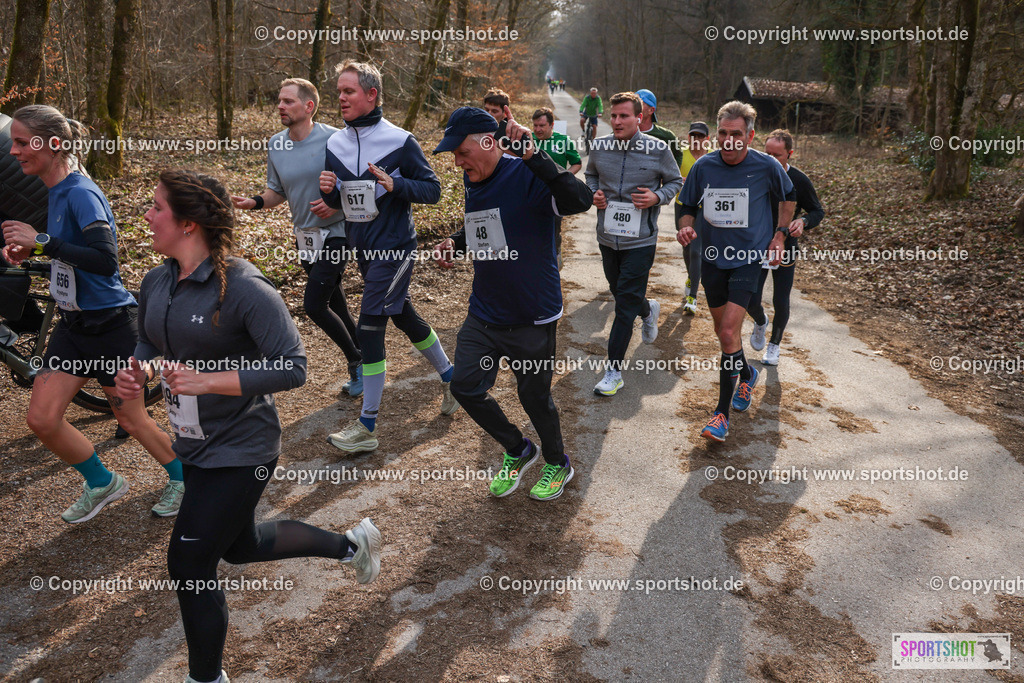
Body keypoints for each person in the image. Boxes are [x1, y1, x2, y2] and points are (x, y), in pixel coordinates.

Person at [116, 169, 381, 683]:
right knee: (240, 546)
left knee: (190, 564)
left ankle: (206, 678)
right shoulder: (156, 280)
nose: (146, 216)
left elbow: (293, 367)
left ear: (189, 224)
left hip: (243, 447)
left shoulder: (244, 287)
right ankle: (350, 545)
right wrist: (139, 371)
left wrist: (207, 382)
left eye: (156, 207)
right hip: (193, 441)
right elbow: (149, 341)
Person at [1, 104, 183, 522]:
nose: (13, 151)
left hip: (112, 324)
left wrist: (42, 241)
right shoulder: (55, 189)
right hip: (74, 325)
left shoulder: (81, 192)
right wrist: (31, 252)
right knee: (42, 419)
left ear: (52, 144)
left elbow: (105, 260)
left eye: (22, 143)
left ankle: (182, 477)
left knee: (130, 417)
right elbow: (70, 255)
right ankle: (102, 482)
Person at [433, 105, 593, 500]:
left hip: (531, 313)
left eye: (462, 152)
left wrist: (536, 157)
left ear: (489, 143)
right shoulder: (474, 177)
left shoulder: (527, 173)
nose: (457, 162)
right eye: (454, 154)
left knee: (533, 396)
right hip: (485, 310)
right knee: (464, 386)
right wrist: (456, 242)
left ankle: (557, 462)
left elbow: (581, 200)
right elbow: (485, 224)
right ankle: (518, 449)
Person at [319, 59, 458, 454]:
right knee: (402, 314)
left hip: (395, 248)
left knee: (369, 327)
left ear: (371, 94)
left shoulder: (400, 141)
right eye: (339, 91)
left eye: (348, 91)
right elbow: (341, 203)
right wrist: (329, 190)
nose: (341, 97)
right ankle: (452, 377)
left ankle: (367, 425)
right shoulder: (335, 144)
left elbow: (433, 190)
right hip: (363, 249)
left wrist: (396, 184)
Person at [231, 78, 363, 396]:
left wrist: (336, 206)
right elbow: (277, 191)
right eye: (279, 100)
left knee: (314, 305)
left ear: (309, 106)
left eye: (288, 101)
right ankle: (370, 360)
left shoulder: (336, 139)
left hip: (337, 233)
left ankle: (358, 361)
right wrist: (255, 202)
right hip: (305, 237)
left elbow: (360, 185)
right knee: (336, 304)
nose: (280, 106)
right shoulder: (276, 144)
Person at [675, 101, 795, 443]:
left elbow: (789, 196)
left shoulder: (766, 166)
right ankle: (746, 372)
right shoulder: (704, 166)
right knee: (723, 333)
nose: (729, 141)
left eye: (737, 134)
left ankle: (721, 415)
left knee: (728, 331)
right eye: (723, 133)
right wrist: (685, 226)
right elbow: (686, 205)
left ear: (750, 136)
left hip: (747, 259)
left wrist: (779, 235)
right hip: (713, 258)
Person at [585, 92, 683, 396]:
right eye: (613, 116)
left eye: (623, 116)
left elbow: (675, 181)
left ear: (639, 118)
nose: (616, 121)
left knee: (623, 305)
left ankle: (613, 372)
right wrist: (594, 193)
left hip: (641, 241)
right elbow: (591, 175)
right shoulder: (599, 147)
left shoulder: (658, 149)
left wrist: (657, 197)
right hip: (607, 238)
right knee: (622, 293)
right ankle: (648, 308)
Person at [746, 129, 824, 365]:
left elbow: (817, 211)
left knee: (781, 298)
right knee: (750, 298)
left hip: (785, 245)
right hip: (756, 245)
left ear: (789, 154)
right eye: (766, 153)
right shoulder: (754, 173)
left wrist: (803, 221)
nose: (770, 159)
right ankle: (761, 321)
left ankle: (774, 345)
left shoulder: (799, 179)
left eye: (776, 155)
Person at [531, 106, 582, 269]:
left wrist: (563, 179)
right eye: (535, 125)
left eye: (542, 126)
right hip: (531, 192)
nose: (538, 129)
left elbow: (577, 163)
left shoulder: (563, 141)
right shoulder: (528, 140)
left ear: (551, 125)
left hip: (554, 194)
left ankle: (554, 258)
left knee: (553, 228)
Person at [676, 121, 711, 315]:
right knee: (687, 247)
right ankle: (692, 276)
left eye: (700, 136)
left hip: (704, 209)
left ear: (707, 139)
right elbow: (667, 177)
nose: (696, 139)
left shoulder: (713, 156)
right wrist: (679, 181)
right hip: (683, 207)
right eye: (693, 135)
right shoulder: (680, 155)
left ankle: (692, 297)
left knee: (697, 251)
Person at [635, 89, 683, 167]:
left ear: (651, 110)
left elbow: (678, 155)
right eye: (633, 104)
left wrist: (670, 173)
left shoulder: (667, 136)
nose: (634, 108)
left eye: (639, 104)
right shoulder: (623, 134)